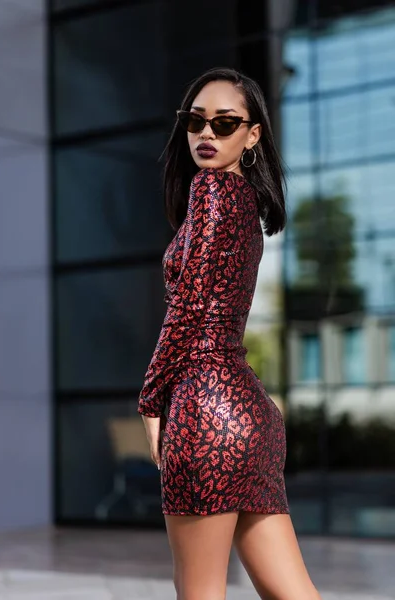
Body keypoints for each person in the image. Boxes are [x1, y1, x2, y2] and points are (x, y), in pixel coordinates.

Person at [138, 67, 322, 600]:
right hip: (251, 415)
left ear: (253, 134)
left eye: (224, 123)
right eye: (195, 122)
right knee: (294, 593)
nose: (206, 135)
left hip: (204, 410)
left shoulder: (213, 189)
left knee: (199, 592)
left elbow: (191, 305)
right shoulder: (245, 201)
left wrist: (152, 396)